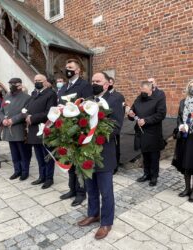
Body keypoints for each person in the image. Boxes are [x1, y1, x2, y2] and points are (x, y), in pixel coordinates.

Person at [77, 72, 123, 240]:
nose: (94, 83)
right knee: (91, 187)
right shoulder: (88, 99)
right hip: (87, 152)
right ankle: (93, 214)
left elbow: (117, 126)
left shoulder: (116, 98)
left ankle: (106, 222)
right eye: (93, 81)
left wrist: (95, 133)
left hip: (104, 152)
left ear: (106, 84)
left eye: (98, 81)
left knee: (106, 191)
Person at [57, 58, 93, 206]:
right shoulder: (63, 87)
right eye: (66, 67)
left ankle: (80, 192)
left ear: (78, 70)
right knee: (69, 161)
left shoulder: (84, 85)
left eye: (70, 67)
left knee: (79, 163)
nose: (67, 69)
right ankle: (72, 189)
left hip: (78, 129)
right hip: (65, 130)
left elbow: (87, 106)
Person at [128, 81, 166, 186]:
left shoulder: (158, 99)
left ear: (151, 90)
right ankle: (146, 174)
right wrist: (130, 114)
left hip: (153, 133)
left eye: (145, 91)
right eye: (141, 91)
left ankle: (154, 176)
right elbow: (132, 112)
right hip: (141, 133)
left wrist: (146, 120)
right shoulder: (138, 99)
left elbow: (161, 114)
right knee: (145, 155)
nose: (142, 93)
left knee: (154, 156)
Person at [25, 74, 57, 188]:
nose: (36, 82)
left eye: (39, 80)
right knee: (38, 155)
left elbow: (49, 112)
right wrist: (27, 114)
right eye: (35, 80)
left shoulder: (50, 94)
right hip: (34, 129)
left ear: (45, 82)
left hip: (45, 128)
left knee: (47, 156)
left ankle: (49, 178)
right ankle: (41, 176)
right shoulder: (34, 94)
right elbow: (28, 107)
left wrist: (32, 118)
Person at [0, 78, 31, 180]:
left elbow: (25, 112)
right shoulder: (7, 96)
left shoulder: (27, 97)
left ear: (20, 85)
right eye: (10, 84)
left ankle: (25, 171)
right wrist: (3, 120)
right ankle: (17, 170)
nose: (11, 86)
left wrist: (13, 120)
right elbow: (1, 111)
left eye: (14, 84)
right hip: (8, 128)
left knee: (23, 152)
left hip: (19, 128)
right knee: (14, 152)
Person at [108, 77, 125, 174]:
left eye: (110, 82)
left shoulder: (118, 96)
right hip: (106, 124)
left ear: (113, 83)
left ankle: (115, 165)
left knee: (116, 145)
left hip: (115, 124)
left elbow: (121, 111)